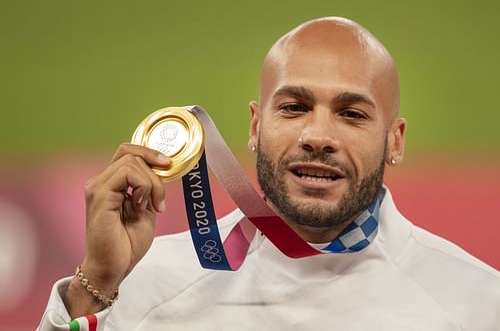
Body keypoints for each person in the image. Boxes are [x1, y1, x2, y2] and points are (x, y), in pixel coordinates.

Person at [38, 17, 500, 330]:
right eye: (295, 107)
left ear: (394, 141)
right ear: (256, 126)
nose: (318, 135)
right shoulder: (143, 281)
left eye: (352, 114)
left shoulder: (477, 303)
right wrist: (93, 286)